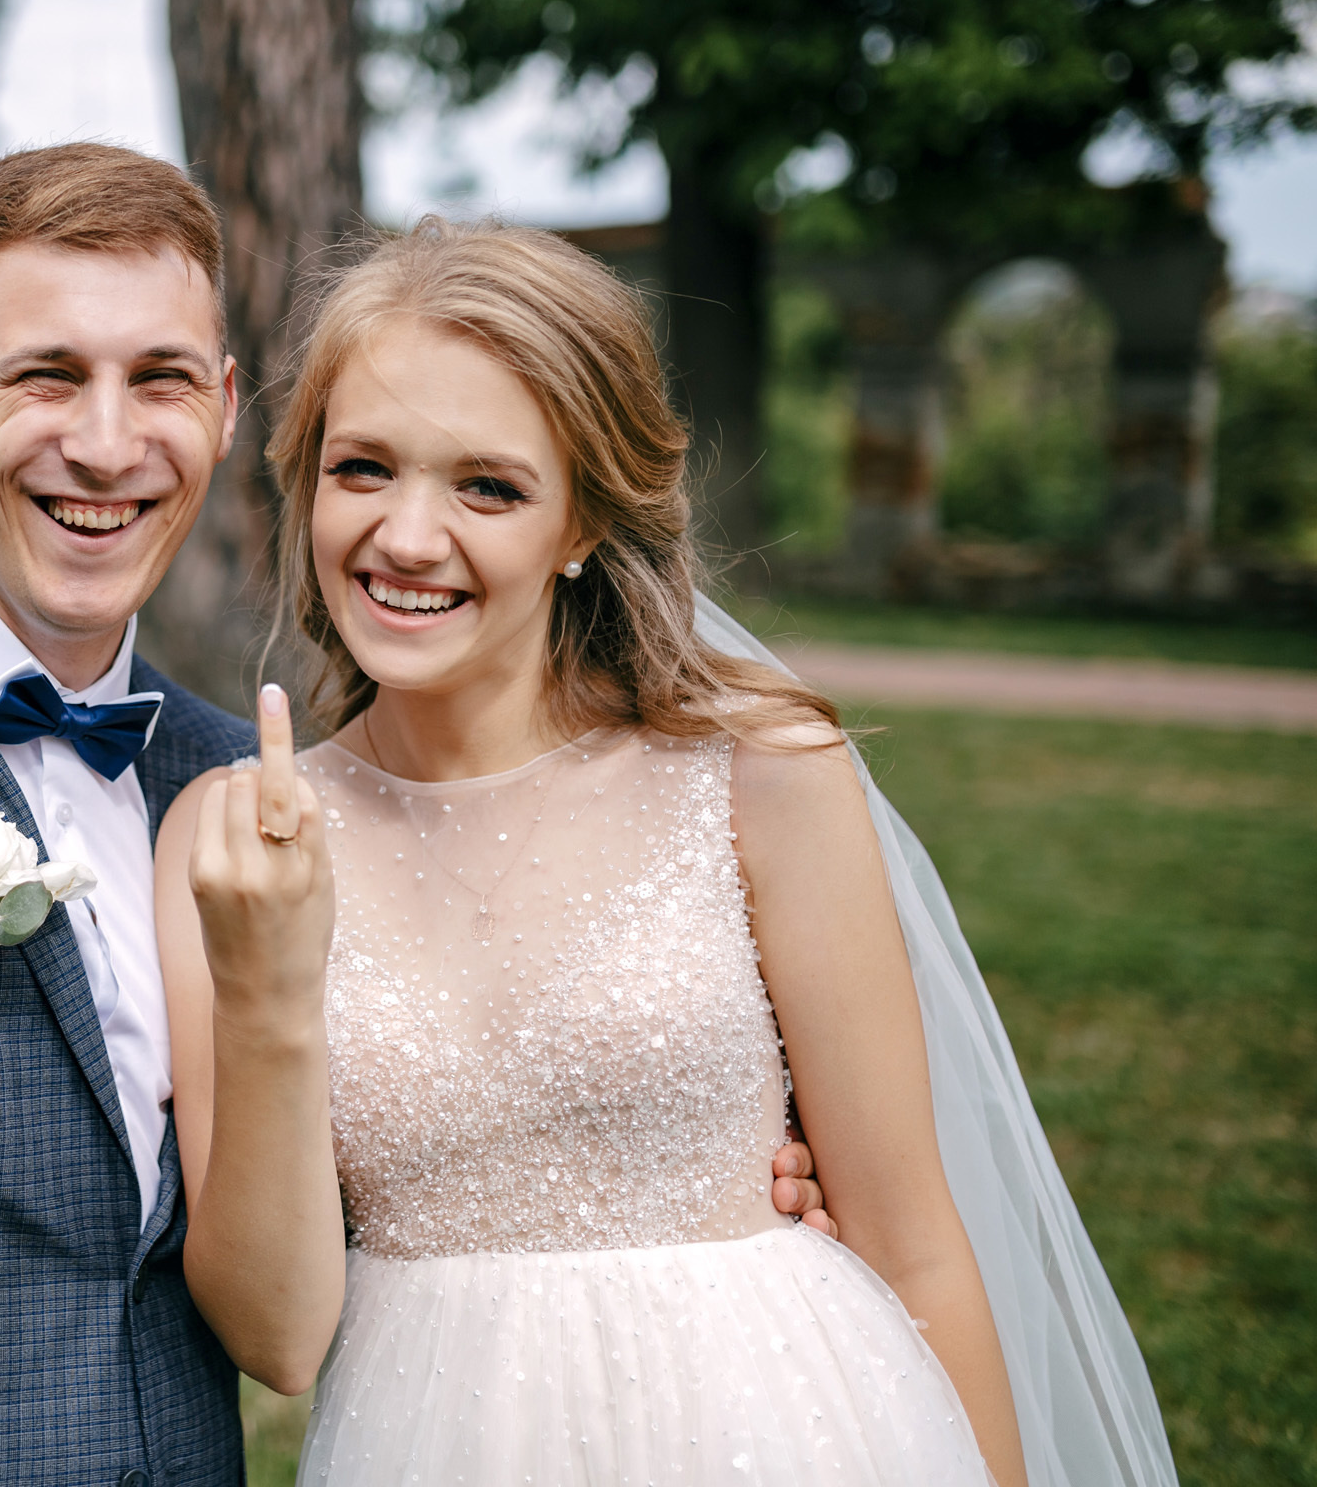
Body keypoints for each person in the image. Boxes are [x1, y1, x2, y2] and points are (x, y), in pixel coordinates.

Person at [0, 146, 835, 1486]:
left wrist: (691, 1187)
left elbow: (366, 1187)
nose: (107, 445)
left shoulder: (244, 791)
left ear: (226, 409)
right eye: (47, 375)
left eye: (159, 380)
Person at [158, 220, 1179, 1486]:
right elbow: (278, 1337)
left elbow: (915, 1244)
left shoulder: (756, 771)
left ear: (580, 520)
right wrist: (263, 995)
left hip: (793, 1429)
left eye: (489, 486)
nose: (409, 537)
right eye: (364, 467)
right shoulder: (232, 839)